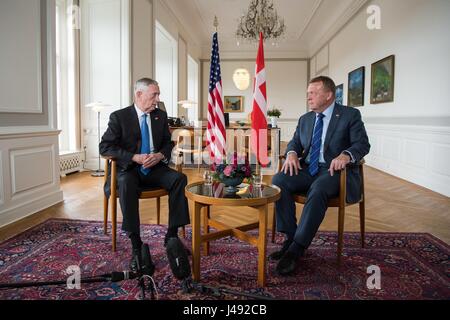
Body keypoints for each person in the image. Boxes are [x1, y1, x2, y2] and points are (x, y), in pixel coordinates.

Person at [271, 76, 370, 275]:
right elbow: (295, 143)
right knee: (278, 180)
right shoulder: (305, 119)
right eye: (308, 93)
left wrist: (345, 155)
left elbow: (362, 144)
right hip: (309, 168)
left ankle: (297, 249)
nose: (308, 97)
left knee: (318, 189)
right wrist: (291, 154)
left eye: (313, 93)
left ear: (328, 95)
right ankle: (290, 238)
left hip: (336, 171)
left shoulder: (350, 115)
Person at [100, 78, 190, 272]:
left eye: (158, 94)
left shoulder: (160, 116)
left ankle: (172, 236)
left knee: (179, 179)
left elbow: (168, 143)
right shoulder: (119, 117)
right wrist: (134, 157)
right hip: (129, 170)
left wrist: (159, 155)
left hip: (155, 169)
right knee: (125, 183)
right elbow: (105, 147)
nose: (157, 99)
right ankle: (136, 245)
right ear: (139, 95)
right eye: (154, 95)